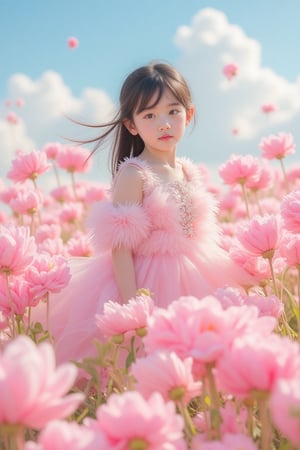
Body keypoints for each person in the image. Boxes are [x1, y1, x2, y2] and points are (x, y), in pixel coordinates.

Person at [39, 61, 253, 363]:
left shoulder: (188, 171)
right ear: (131, 125)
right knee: (157, 357)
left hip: (200, 271)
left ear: (188, 115)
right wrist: (134, 305)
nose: (163, 123)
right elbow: (121, 248)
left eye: (172, 111)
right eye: (149, 115)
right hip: (149, 281)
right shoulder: (134, 174)